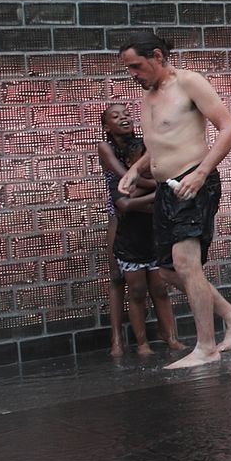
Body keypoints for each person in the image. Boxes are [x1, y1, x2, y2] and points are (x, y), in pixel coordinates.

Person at [114, 30, 231, 369]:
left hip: (193, 184)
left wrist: (202, 172)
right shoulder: (149, 95)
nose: (132, 75)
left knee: (186, 262)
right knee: (166, 269)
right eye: (128, 69)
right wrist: (136, 170)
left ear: (158, 57)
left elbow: (228, 128)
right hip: (165, 190)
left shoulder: (189, 83)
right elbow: (161, 141)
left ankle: (206, 347)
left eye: (136, 66)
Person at [100, 103, 179, 356]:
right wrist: (159, 186)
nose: (124, 118)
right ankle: (117, 340)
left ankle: (166, 335)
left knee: (158, 282)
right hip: (120, 215)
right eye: (116, 116)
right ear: (106, 127)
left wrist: (155, 186)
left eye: (126, 114)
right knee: (117, 277)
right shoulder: (106, 148)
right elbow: (126, 179)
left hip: (145, 214)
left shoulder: (143, 144)